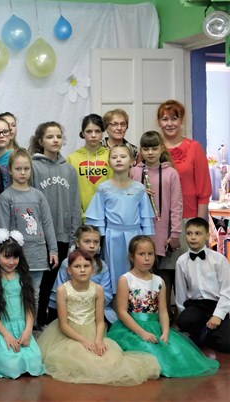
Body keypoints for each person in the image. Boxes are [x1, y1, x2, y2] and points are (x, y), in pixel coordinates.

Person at [38, 250, 161, 385]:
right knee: (76, 361)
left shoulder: (98, 289)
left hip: (92, 331)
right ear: (69, 270)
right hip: (69, 334)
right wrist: (85, 341)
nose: (82, 270)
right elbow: (63, 325)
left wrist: (98, 340)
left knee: (109, 361)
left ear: (92, 269)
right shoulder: (63, 290)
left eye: (86, 266)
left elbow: (100, 322)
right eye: (77, 266)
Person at [107, 235, 219, 377]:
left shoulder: (159, 281)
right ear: (131, 257)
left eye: (150, 254)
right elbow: (122, 312)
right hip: (132, 328)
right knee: (147, 351)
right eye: (141, 254)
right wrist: (143, 333)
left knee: (176, 352)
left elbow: (163, 311)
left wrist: (165, 332)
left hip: (155, 326)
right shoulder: (126, 279)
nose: (147, 258)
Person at [29, 121, 82, 325]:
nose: (55, 140)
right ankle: (35, 322)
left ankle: (48, 322)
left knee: (53, 281)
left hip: (62, 234)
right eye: (50, 137)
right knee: (38, 283)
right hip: (40, 236)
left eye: (58, 136)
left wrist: (74, 236)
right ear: (40, 141)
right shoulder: (33, 167)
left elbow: (75, 204)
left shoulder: (69, 170)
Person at [85, 145, 155, 293]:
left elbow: (145, 217)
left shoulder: (139, 188)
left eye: (123, 156)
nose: (118, 160)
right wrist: (100, 239)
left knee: (136, 270)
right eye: (114, 157)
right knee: (113, 273)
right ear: (109, 162)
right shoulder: (103, 188)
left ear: (132, 161)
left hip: (135, 236)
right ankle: (115, 302)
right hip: (112, 237)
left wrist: (146, 240)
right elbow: (97, 217)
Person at [0, 148, 58, 314]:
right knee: (14, 292)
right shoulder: (6, 197)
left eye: (26, 168)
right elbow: (3, 228)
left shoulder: (39, 196)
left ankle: (31, 325)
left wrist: (53, 249)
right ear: (10, 170)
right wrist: (7, 254)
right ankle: (15, 324)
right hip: (16, 256)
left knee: (34, 293)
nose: (22, 172)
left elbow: (47, 223)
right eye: (18, 169)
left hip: (37, 254)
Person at [0, 229, 45, 379]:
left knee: (34, 362)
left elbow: (29, 306)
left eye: (15, 257)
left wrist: (28, 330)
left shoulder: (23, 277)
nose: (11, 262)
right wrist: (7, 335)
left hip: (22, 327)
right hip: (1, 329)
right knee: (11, 365)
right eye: (6, 257)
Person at [131, 130, 182, 318]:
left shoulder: (171, 173)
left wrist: (175, 233)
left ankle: (165, 316)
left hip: (163, 234)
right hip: (139, 232)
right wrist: (138, 191)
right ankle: (142, 317)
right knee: (141, 277)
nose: (150, 152)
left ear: (161, 149)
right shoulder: (134, 172)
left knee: (162, 278)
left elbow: (176, 205)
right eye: (146, 149)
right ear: (141, 151)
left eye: (154, 148)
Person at [157, 99, 212, 247]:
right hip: (159, 220)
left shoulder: (194, 148)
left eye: (174, 118)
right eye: (165, 119)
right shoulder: (152, 149)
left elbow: (204, 190)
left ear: (181, 120)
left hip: (188, 218)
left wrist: (199, 225)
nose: (169, 124)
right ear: (159, 122)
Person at [175, 217, 230, 353]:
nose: (193, 237)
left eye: (198, 233)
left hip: (216, 305)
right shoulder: (181, 261)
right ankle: (199, 332)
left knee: (226, 344)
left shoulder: (219, 260)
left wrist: (218, 315)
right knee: (185, 320)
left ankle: (206, 335)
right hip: (196, 306)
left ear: (207, 235)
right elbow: (180, 292)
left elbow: (227, 291)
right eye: (189, 233)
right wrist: (183, 314)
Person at [49, 225, 116, 324]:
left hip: (95, 309)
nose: (92, 246)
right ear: (77, 243)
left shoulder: (102, 267)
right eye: (87, 241)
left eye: (96, 242)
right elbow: (59, 290)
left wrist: (88, 305)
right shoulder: (67, 264)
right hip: (69, 310)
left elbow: (106, 295)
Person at [67, 114, 111, 217]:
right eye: (89, 131)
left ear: (102, 133)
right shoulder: (72, 158)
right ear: (83, 133)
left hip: (108, 215)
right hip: (82, 217)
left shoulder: (111, 156)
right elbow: (70, 190)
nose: (93, 135)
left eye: (97, 131)